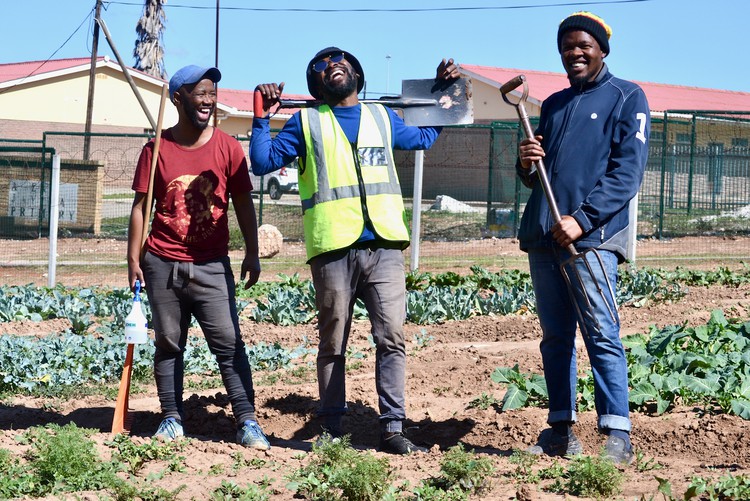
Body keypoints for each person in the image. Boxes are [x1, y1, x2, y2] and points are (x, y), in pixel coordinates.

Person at [250, 47, 460, 455]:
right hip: (333, 249)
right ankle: (331, 429)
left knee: (393, 337)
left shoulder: (382, 117)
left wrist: (444, 94)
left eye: (340, 60)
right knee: (333, 342)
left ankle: (393, 428)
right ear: (316, 85)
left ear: (357, 74)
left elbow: (424, 136)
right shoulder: (305, 123)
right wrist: (261, 114)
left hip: (384, 247)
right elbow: (261, 161)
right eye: (322, 67)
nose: (333, 66)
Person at [516, 12, 650, 465]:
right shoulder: (552, 104)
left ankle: (617, 435)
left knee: (602, 335)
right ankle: (560, 430)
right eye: (566, 46)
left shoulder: (627, 97)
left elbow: (627, 173)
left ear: (601, 50)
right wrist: (526, 161)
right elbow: (538, 181)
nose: (574, 52)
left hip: (590, 241)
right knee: (555, 338)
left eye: (583, 45)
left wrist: (583, 219)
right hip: (544, 237)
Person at [127, 65, 270, 450]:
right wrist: (133, 259)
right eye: (199, 93)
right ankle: (171, 418)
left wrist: (252, 252)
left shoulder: (226, 146)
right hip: (161, 261)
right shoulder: (156, 148)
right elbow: (141, 206)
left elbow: (243, 202)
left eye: (211, 93)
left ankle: (247, 422)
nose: (208, 100)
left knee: (229, 343)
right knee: (169, 343)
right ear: (178, 98)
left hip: (211, 265)